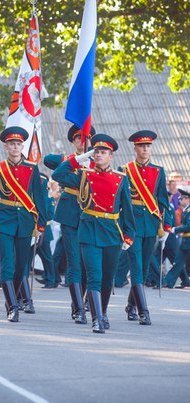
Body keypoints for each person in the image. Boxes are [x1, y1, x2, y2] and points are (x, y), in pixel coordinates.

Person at [52, 133, 135, 333]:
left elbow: (127, 209)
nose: (98, 155)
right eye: (96, 151)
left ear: (111, 155)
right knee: (94, 276)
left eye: (103, 152)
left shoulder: (120, 179)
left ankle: (103, 312)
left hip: (112, 233)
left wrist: (129, 234)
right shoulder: (84, 175)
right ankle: (97, 318)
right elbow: (58, 175)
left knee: (108, 278)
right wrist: (78, 159)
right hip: (88, 231)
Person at [0, 126, 46, 322]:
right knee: (7, 264)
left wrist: (41, 223)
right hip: (4, 221)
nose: (15, 147)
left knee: (21, 266)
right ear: (6, 147)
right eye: (11, 144)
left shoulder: (31, 168)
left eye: (18, 144)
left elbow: (39, 197)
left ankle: (12, 300)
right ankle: (13, 306)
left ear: (22, 146)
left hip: (25, 221)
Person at [44, 125, 95, 325]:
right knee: (74, 262)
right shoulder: (68, 160)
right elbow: (48, 160)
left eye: (86, 138)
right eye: (78, 139)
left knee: (88, 263)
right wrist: (74, 159)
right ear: (73, 141)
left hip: (91, 216)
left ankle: (85, 301)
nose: (82, 142)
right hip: (70, 215)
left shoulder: (98, 162)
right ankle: (78, 308)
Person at [120, 130, 171, 325]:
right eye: (141, 146)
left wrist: (166, 225)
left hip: (151, 224)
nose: (145, 149)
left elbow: (162, 200)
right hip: (132, 224)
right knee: (136, 266)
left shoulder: (158, 171)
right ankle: (144, 311)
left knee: (143, 264)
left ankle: (131, 305)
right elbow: (120, 201)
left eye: (148, 146)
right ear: (135, 148)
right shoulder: (125, 170)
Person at [162, 189, 190, 288]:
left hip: (188, 241)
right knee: (178, 262)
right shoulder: (186, 210)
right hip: (185, 241)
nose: (179, 200)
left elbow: (188, 226)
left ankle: (170, 281)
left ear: (187, 199)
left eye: (181, 198)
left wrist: (175, 229)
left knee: (180, 263)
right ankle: (168, 282)